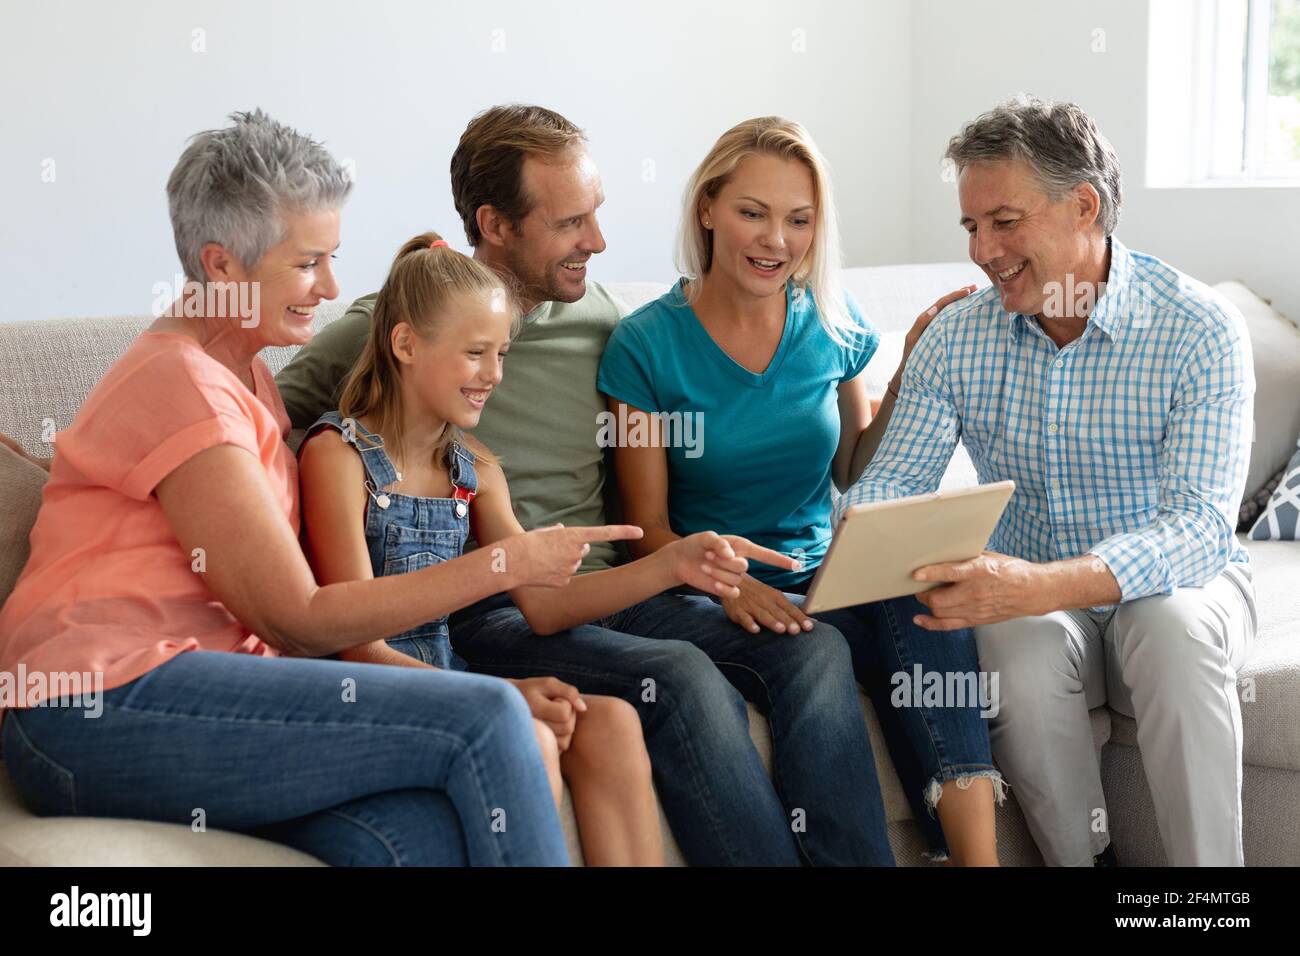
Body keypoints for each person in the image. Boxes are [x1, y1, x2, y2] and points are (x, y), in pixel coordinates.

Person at [276, 104, 897, 865]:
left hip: (607, 593)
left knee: (816, 648)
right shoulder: (393, 327)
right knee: (682, 678)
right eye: (572, 223)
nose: (597, 243)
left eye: (595, 215)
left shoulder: (608, 326)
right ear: (495, 224)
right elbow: (262, 421)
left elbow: (668, 444)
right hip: (483, 611)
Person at [0, 109, 614, 867]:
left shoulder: (247, 374)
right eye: (307, 262)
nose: (329, 286)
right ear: (222, 267)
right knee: (488, 713)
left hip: (205, 692)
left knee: (414, 839)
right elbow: (300, 616)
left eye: (331, 258)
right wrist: (506, 565)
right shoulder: (181, 383)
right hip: (93, 706)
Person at [837, 96, 1256, 867]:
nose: (981, 250)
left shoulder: (1198, 328)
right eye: (969, 226)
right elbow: (889, 484)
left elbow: (1199, 529)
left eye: (1003, 222)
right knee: (1016, 648)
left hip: (1174, 590)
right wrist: (855, 543)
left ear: (1084, 206)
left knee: (1170, 632)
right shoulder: (957, 337)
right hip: (1034, 606)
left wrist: (1041, 584)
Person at [297, 231, 798, 865]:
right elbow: (359, 644)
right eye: (475, 353)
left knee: (612, 722)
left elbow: (545, 607)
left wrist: (671, 562)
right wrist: (504, 695)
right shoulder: (338, 457)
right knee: (527, 725)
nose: (494, 376)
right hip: (373, 687)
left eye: (501, 353)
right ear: (405, 344)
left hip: (446, 676)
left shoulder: (473, 465)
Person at [598, 116, 1002, 866]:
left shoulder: (832, 325)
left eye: (799, 220)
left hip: (822, 573)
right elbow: (648, 527)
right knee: (816, 653)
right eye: (753, 212)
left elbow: (853, 466)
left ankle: (968, 855)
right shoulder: (647, 344)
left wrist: (908, 369)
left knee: (931, 601)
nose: (774, 240)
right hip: (701, 583)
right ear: (708, 208)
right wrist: (726, 585)